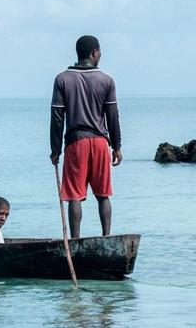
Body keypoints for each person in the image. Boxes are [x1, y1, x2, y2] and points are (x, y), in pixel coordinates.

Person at [50, 35, 122, 239]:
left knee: (74, 196)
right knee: (103, 195)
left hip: (76, 142)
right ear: (94, 53)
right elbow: (112, 117)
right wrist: (116, 146)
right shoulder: (106, 80)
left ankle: (75, 240)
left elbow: (57, 118)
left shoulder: (62, 79)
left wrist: (55, 150)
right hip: (100, 142)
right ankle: (107, 238)